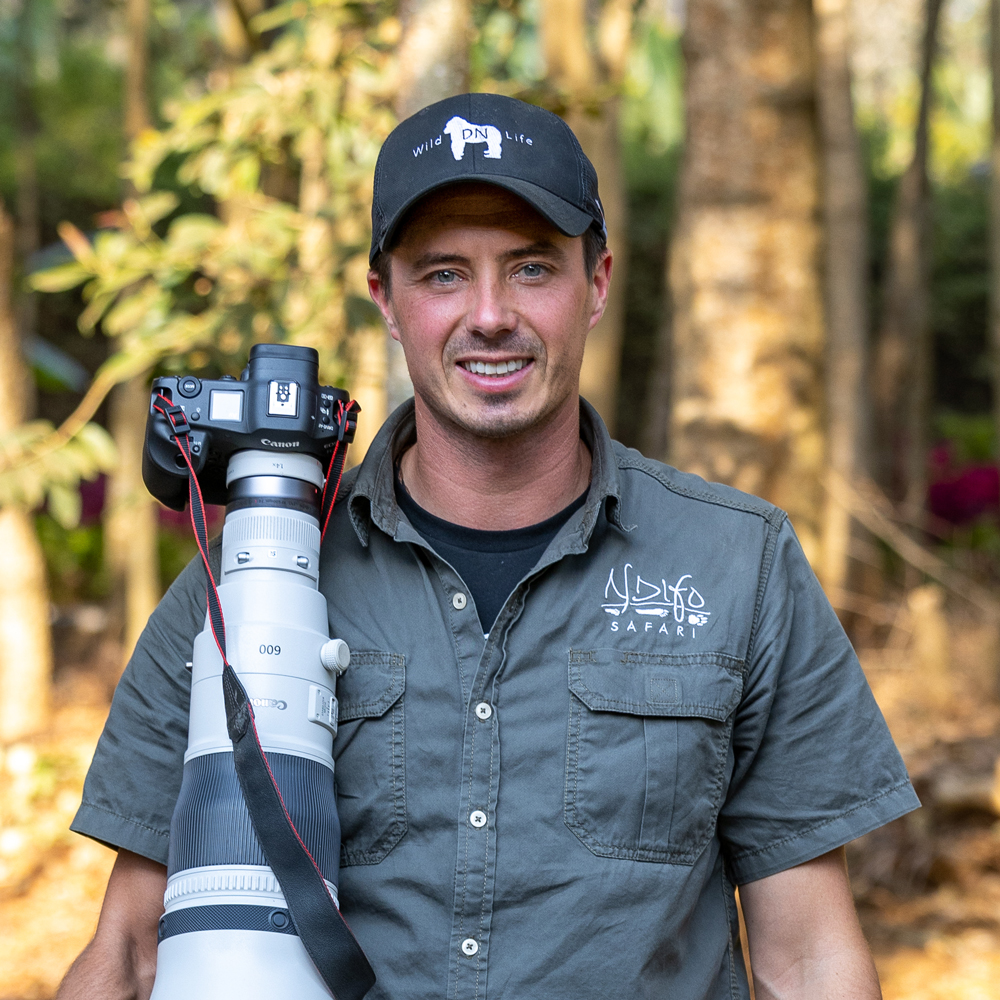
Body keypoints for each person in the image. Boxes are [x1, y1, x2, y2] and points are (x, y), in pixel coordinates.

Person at [58, 93, 919, 1000]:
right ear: (385, 299)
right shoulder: (253, 583)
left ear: (596, 283)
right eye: (442, 275)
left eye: (532, 268)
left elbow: (809, 956)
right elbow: (132, 950)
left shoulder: (737, 565)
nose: (491, 314)